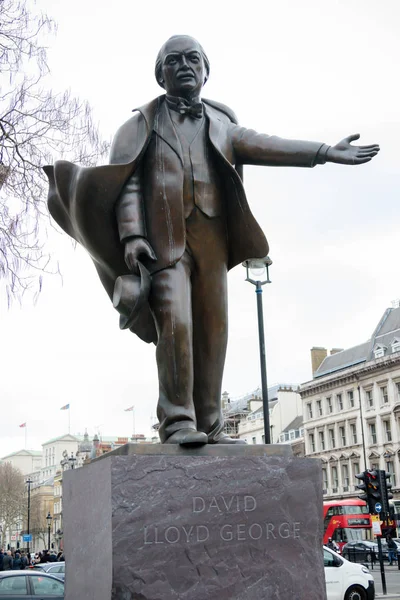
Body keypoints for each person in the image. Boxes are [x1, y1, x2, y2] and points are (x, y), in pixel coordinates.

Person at [46, 36, 379, 445]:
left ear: (205, 70)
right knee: (176, 325)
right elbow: (125, 185)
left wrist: (325, 151)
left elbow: (267, 144)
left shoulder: (221, 123)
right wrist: (132, 237)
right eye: (174, 60)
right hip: (164, 245)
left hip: (213, 240)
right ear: (160, 73)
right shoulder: (139, 126)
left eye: (193, 59)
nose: (184, 66)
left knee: (214, 330)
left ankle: (212, 424)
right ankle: (177, 422)